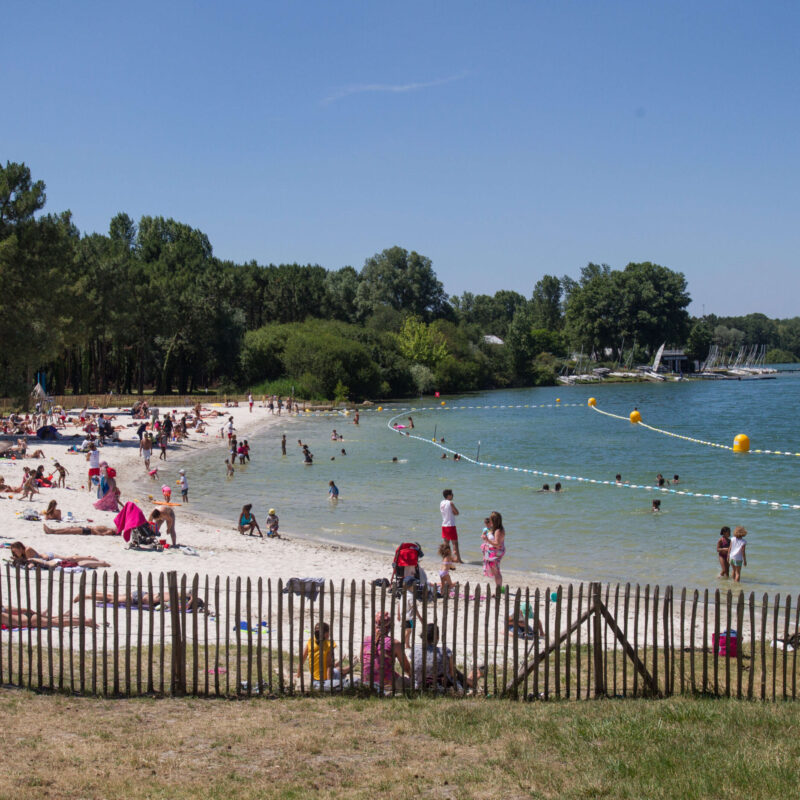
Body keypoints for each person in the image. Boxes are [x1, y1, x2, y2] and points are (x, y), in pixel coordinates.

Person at [361, 611, 411, 690]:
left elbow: (362, 661)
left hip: (366, 682)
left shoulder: (366, 640)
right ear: (390, 627)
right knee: (408, 682)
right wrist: (412, 678)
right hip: (386, 683)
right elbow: (406, 668)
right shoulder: (395, 643)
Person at [297, 621, 355, 688]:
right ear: (327, 634)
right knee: (338, 670)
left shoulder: (310, 641)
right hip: (324, 679)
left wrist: (298, 675)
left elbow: (302, 659)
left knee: (336, 669)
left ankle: (345, 663)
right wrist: (329, 683)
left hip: (315, 678)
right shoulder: (329, 644)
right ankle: (351, 665)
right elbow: (328, 667)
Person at [10, 541, 110, 570]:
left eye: (15, 551)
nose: (15, 553)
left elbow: (29, 561)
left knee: (69, 558)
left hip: (50, 557)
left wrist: (19, 560)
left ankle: (90, 557)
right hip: (48, 559)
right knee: (70, 559)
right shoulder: (22, 553)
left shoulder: (27, 550)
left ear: (19, 548)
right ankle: (88, 557)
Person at [482, 510, 506, 591]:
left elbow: (497, 544)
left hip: (496, 553)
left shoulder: (498, 531)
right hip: (493, 552)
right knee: (495, 571)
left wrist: (487, 540)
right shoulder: (495, 529)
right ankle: (499, 589)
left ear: (494, 521)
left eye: (491, 519)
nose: (490, 521)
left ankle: (498, 590)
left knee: (496, 572)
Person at [440, 489, 462, 563]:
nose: (453, 495)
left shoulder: (442, 503)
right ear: (448, 495)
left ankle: (446, 558)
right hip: (450, 525)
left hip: (444, 525)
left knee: (446, 544)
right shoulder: (450, 503)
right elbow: (457, 512)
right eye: (452, 494)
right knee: (455, 543)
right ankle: (458, 559)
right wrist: (454, 512)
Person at [43, 523, 117, 536]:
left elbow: (100, 535)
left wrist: (92, 528)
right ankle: (52, 530)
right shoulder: (109, 529)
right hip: (87, 528)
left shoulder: (110, 531)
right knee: (69, 528)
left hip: (88, 531)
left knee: (68, 531)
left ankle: (52, 532)